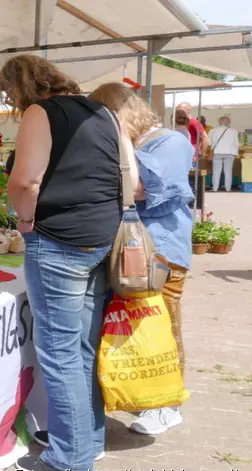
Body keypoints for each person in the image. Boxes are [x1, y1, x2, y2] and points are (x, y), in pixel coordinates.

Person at [0, 55, 139, 471]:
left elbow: (26, 182)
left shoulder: (42, 113)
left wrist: (24, 219)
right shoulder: (102, 111)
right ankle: (86, 440)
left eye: (8, 95)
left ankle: (70, 456)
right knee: (81, 347)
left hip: (60, 241)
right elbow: (128, 179)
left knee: (60, 353)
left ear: (21, 88)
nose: (10, 102)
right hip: (102, 236)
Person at [90, 82, 194, 435]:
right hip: (131, 251)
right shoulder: (139, 144)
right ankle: (143, 396)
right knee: (135, 328)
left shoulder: (170, 141)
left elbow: (138, 189)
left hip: (160, 252)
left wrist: (116, 139)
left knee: (163, 326)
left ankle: (168, 405)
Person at [208, 116, 239, 192]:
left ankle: (215, 188)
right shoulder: (233, 131)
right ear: (228, 123)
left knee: (216, 172)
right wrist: (236, 153)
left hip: (217, 153)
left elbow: (209, 143)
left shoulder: (212, 130)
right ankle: (228, 188)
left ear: (219, 122)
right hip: (230, 153)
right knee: (228, 172)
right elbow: (236, 143)